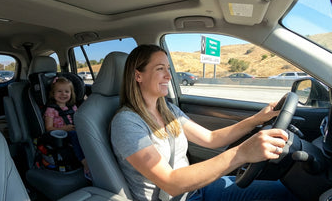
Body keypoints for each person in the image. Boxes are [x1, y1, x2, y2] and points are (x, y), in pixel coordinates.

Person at [110, 44, 298, 201]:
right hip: (177, 196)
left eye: (168, 68)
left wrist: (256, 119)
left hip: (195, 189)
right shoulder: (126, 123)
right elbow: (170, 182)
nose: (168, 76)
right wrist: (242, 153)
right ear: (138, 76)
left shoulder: (168, 110)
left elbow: (210, 138)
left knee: (283, 192)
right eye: (160, 69)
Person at [44, 76, 91, 179]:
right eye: (59, 91)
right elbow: (49, 128)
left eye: (66, 91)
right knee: (74, 136)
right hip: (60, 134)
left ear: (71, 93)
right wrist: (64, 128)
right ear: (53, 93)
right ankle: (85, 162)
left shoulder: (73, 107)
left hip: (74, 130)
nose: (63, 94)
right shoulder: (51, 110)